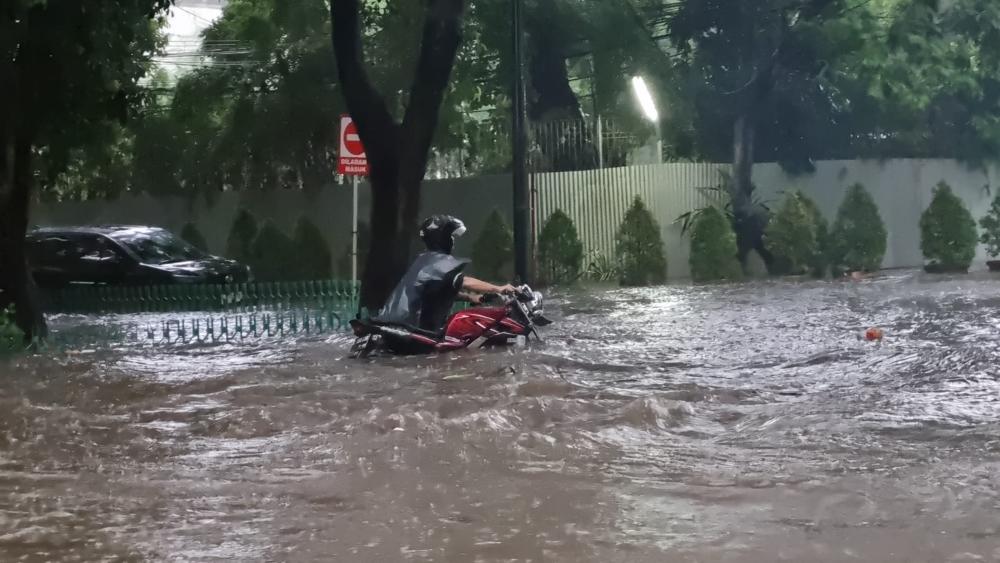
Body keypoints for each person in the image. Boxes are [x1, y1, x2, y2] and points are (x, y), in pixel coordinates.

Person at [375, 215, 516, 334]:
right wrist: (499, 288)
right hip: (415, 332)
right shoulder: (440, 263)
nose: (453, 241)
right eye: (451, 236)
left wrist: (470, 297)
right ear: (443, 238)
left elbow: (433, 291)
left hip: (394, 326)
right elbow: (464, 281)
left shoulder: (423, 261)